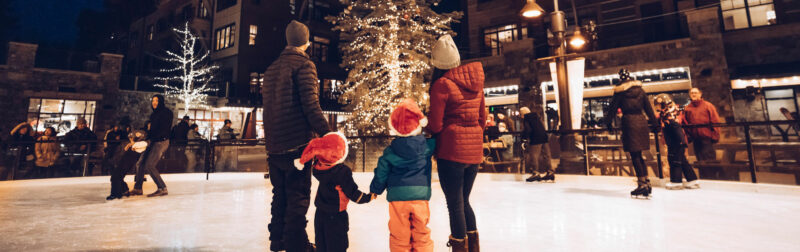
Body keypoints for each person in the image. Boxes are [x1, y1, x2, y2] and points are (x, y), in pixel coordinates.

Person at [262, 20, 332, 252]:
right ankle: (297, 244)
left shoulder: (271, 69)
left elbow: (269, 108)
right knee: (298, 196)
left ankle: (278, 240)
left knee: (279, 194)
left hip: (274, 145)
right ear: (306, 42)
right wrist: (329, 135)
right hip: (297, 145)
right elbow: (311, 106)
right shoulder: (305, 66)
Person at [426, 34, 485, 252]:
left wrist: (428, 128)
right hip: (474, 152)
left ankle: (460, 247)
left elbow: (436, 124)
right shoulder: (476, 83)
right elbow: (482, 118)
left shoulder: (442, 84)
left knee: (455, 204)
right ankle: (474, 247)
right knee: (464, 200)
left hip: (451, 152)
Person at [370, 99, 436, 252]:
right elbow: (437, 138)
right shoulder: (427, 146)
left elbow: (382, 171)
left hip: (398, 197)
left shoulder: (390, 151)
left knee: (399, 234)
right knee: (422, 233)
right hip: (420, 196)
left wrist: (376, 188)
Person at [295, 132, 373, 252]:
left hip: (320, 213)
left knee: (322, 243)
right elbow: (352, 192)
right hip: (336, 215)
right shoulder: (342, 172)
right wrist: (368, 197)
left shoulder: (318, 168)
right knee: (337, 244)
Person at [604, 69, 658, 198]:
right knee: (640, 155)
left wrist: (608, 123)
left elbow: (612, 109)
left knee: (635, 156)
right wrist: (655, 124)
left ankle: (642, 184)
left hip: (629, 123)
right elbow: (649, 109)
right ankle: (646, 182)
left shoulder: (620, 91)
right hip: (641, 122)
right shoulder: (640, 90)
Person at [654, 94, 700, 190]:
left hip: (676, 142)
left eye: (658, 105)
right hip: (675, 142)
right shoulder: (666, 114)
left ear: (664, 104)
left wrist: (680, 142)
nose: (657, 107)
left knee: (675, 161)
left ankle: (676, 181)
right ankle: (692, 180)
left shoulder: (669, 115)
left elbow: (677, 129)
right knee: (682, 161)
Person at [131, 94, 173, 197]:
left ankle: (162, 188)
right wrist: (143, 136)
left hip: (161, 142)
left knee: (149, 165)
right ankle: (138, 188)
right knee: (140, 163)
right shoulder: (153, 115)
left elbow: (164, 129)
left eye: (157, 101)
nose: (154, 102)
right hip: (153, 141)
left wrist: (152, 137)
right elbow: (152, 130)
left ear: (161, 102)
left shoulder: (166, 113)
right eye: (153, 100)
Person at [683, 87, 721, 178]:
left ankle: (713, 179)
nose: (694, 94)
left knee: (710, 161)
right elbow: (686, 123)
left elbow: (715, 121)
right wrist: (688, 136)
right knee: (700, 160)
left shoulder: (708, 106)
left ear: (700, 94)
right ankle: (704, 179)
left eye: (695, 92)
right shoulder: (688, 108)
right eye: (692, 93)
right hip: (696, 139)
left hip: (707, 138)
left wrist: (715, 136)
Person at [107, 129, 148, 200]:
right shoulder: (135, 145)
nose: (131, 139)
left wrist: (131, 143)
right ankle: (125, 190)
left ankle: (115, 194)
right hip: (123, 163)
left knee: (115, 177)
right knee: (117, 177)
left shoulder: (141, 144)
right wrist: (130, 144)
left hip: (126, 164)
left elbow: (142, 144)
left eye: (132, 138)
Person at [520, 107, 554, 182]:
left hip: (535, 139)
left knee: (534, 156)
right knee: (546, 155)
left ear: (523, 113)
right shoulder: (537, 117)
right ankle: (550, 172)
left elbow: (528, 129)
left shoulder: (527, 118)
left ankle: (535, 173)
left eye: (520, 114)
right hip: (544, 137)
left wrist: (524, 139)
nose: (520, 116)